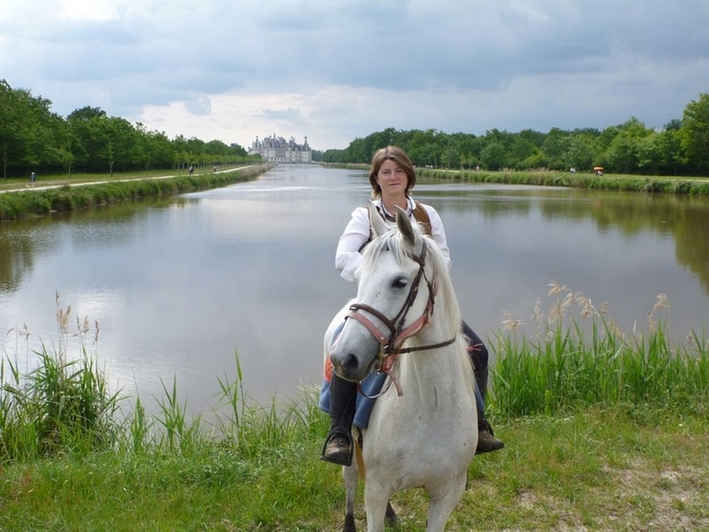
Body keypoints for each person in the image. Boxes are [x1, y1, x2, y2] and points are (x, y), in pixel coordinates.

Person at [322, 146, 504, 466]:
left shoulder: (427, 214)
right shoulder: (364, 216)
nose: (393, 177)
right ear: (376, 179)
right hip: (378, 302)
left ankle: (478, 423)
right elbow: (343, 257)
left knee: (477, 350)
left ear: (409, 175)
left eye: (398, 171)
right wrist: (378, 271)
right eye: (385, 172)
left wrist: (420, 273)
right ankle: (339, 432)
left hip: (421, 300)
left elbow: (443, 259)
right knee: (345, 344)